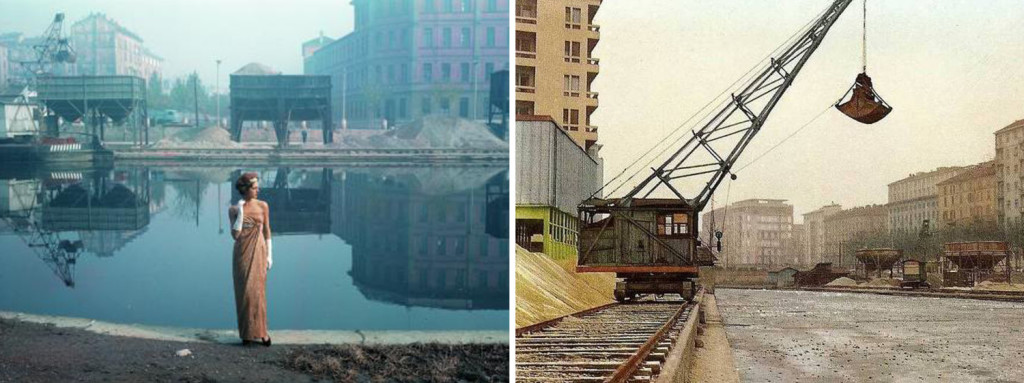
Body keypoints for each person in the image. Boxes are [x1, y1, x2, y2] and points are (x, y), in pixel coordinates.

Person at [228, 172, 273, 346]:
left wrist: (270, 255)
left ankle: (263, 333)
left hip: (260, 252)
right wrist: (240, 211)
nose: (258, 190)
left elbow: (267, 230)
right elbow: (235, 235)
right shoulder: (233, 209)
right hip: (242, 253)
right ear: (246, 190)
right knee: (245, 293)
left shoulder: (263, 206)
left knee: (259, 293)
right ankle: (246, 334)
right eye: (254, 188)